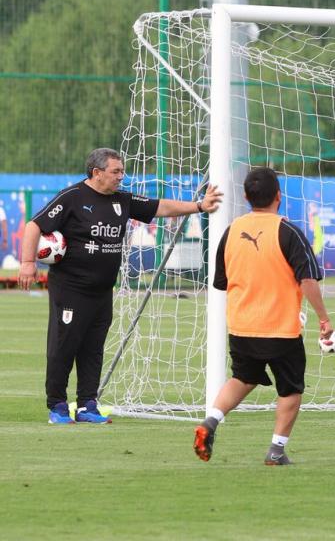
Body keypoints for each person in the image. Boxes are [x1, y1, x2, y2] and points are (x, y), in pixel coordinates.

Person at [18, 148, 222, 425]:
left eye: (122, 171)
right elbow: (34, 226)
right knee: (64, 346)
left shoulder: (121, 200)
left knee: (93, 348)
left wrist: (199, 205)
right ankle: (57, 405)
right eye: (116, 172)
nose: (121, 177)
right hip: (71, 288)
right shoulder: (73, 197)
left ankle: (88, 405)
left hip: (102, 291)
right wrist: (28, 262)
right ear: (97, 173)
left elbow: (159, 206)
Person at [193, 167, 331, 465]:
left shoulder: (231, 230)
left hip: (241, 327)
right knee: (291, 388)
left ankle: (211, 422)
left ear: (245, 196)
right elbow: (308, 280)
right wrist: (324, 319)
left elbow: (222, 282)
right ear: (279, 196)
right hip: (280, 330)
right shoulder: (288, 230)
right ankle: (276, 451)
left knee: (242, 377)